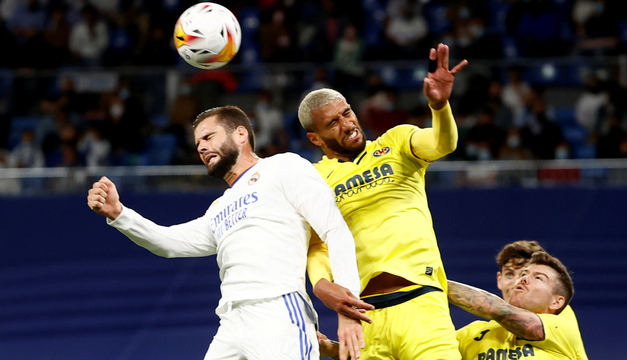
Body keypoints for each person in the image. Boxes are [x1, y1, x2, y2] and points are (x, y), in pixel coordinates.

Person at [87, 105, 372, 360]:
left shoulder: (284, 166)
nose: (201, 147)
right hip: (231, 322)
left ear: (240, 134)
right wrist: (120, 214)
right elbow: (169, 242)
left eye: (208, 137)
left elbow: (335, 230)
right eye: (197, 142)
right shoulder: (219, 207)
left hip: (278, 310)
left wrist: (348, 312)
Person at [299, 43, 467, 360]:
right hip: (364, 320)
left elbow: (443, 143)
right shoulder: (313, 179)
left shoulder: (396, 142)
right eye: (332, 123)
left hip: (422, 303)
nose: (347, 123)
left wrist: (440, 107)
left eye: (347, 112)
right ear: (315, 138)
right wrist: (321, 284)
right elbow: (316, 244)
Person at [449, 252, 583, 360]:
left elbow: (496, 308)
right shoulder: (471, 332)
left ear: (556, 302)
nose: (523, 279)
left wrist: (436, 285)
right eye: (524, 274)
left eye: (538, 278)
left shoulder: (563, 330)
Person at [495, 240, 589, 360]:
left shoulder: (560, 312)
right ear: (499, 279)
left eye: (536, 277)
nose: (517, 281)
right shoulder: (486, 329)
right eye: (509, 274)